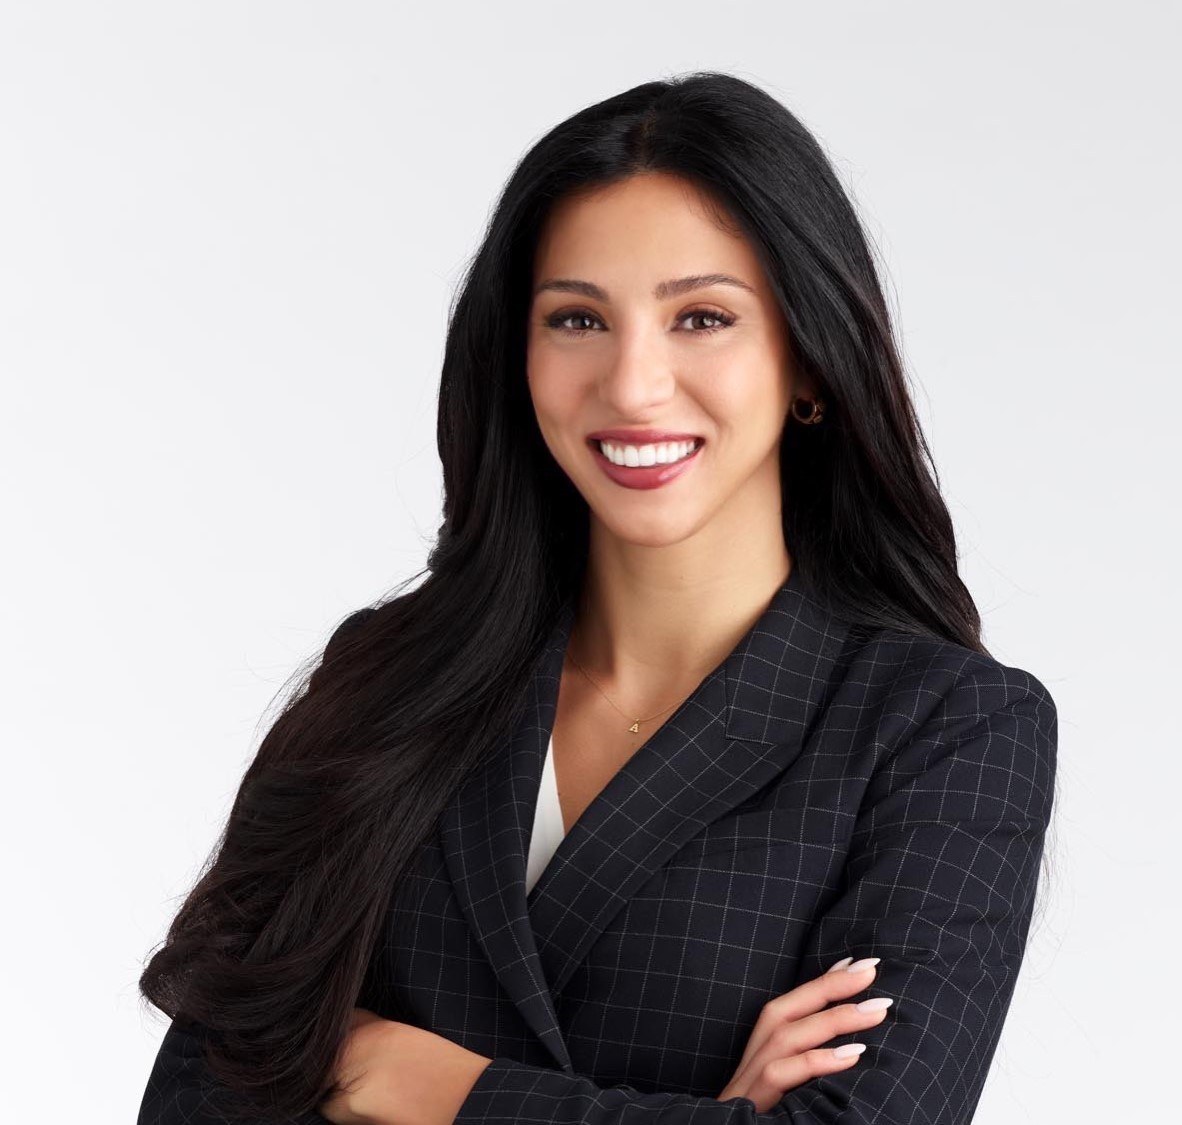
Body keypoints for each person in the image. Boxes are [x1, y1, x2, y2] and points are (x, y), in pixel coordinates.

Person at [136, 71, 1057, 1125]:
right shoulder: (386, 678)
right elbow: (196, 1100)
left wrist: (424, 1083)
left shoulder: (945, 731)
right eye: (577, 319)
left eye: (701, 317)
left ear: (808, 359)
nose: (631, 384)